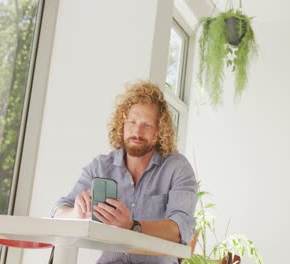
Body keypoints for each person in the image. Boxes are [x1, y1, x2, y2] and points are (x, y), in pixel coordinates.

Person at [52, 80, 198, 264]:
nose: (137, 131)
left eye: (147, 125)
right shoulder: (100, 167)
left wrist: (132, 226)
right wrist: (76, 212)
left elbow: (181, 229)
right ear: (122, 124)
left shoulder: (177, 168)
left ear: (160, 131)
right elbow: (58, 211)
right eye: (132, 122)